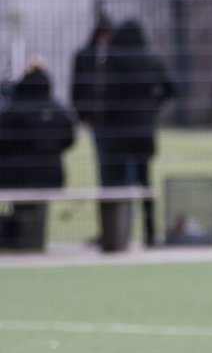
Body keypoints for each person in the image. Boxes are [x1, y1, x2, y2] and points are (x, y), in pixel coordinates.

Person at [99, 19, 175, 248]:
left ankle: (121, 235)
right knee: (145, 182)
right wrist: (152, 107)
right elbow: (171, 89)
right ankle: (150, 233)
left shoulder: (114, 61)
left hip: (120, 131)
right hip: (144, 129)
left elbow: (108, 96)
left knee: (121, 184)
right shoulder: (151, 60)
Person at [0, 61, 76, 249]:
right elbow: (69, 140)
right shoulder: (58, 110)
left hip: (14, 177)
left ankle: (20, 238)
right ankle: (30, 238)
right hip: (52, 176)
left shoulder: (12, 111)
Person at [70, 17, 112, 187]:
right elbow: (77, 87)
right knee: (102, 158)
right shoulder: (83, 56)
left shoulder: (116, 57)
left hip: (112, 118)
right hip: (94, 117)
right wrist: (82, 115)